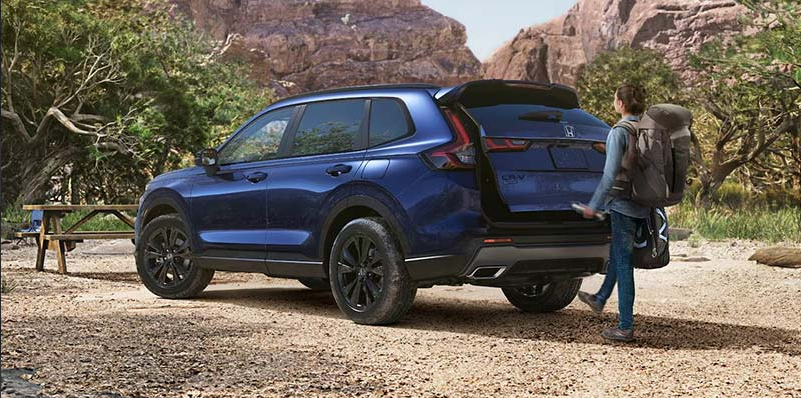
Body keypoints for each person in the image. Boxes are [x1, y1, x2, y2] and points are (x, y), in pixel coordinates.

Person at [578, 83, 649, 343]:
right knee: (620, 255)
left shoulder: (618, 131)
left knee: (624, 263)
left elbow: (609, 176)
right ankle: (600, 298)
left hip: (622, 205)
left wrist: (593, 205)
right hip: (644, 204)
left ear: (620, 103)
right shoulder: (647, 128)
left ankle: (625, 327)